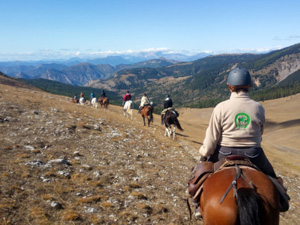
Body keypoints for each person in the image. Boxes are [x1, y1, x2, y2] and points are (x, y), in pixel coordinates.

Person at [195, 67, 289, 218]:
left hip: (223, 153)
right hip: (253, 153)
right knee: (271, 176)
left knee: (200, 177)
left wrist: (205, 153)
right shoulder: (258, 107)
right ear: (250, 86)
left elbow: (212, 136)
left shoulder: (221, 107)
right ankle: (281, 198)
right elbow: (260, 130)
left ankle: (198, 203)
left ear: (229, 86)